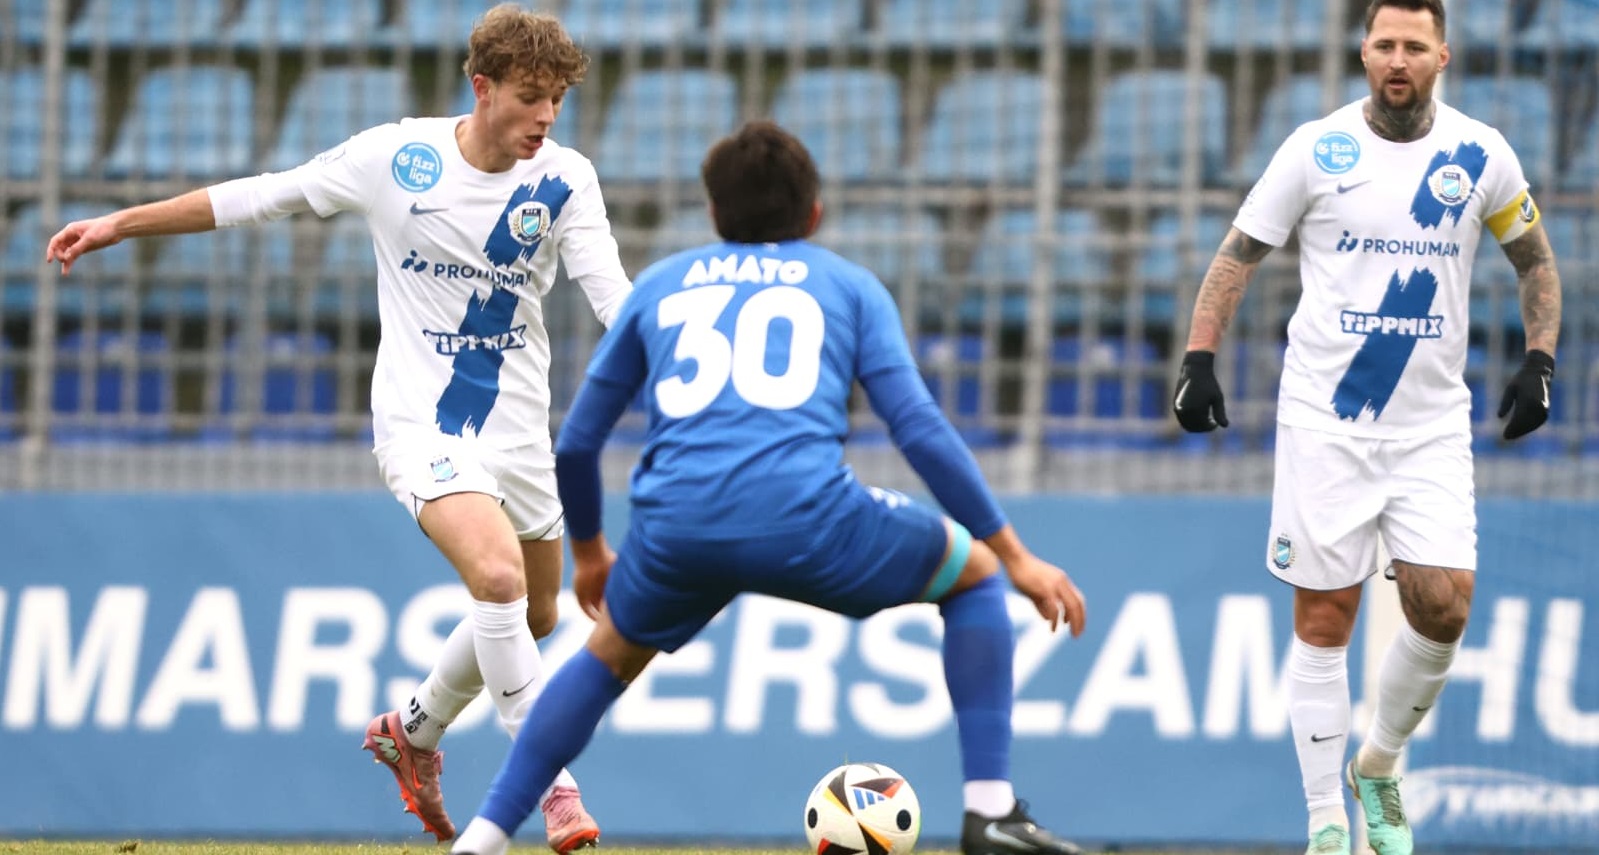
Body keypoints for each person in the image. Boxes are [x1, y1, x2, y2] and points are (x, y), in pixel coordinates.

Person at [45, 5, 630, 850]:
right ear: (482, 87)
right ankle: (553, 791)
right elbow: (262, 195)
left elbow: (612, 296)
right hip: (421, 420)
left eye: (557, 102)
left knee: (535, 614)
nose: (545, 117)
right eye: (531, 97)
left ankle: (412, 731)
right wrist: (120, 222)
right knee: (498, 581)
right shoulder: (398, 158)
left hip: (517, 430)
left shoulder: (566, 179)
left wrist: (680, 350)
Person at [443, 119, 1090, 855]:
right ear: (813, 214)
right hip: (809, 516)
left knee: (610, 650)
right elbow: (917, 429)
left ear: (714, 215)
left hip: (677, 525)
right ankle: (990, 810)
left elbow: (581, 440)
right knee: (972, 576)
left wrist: (591, 552)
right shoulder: (848, 285)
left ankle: (484, 838)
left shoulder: (661, 284)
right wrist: (1014, 554)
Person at [1171, 2, 1563, 854]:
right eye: (1383, 44)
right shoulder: (1315, 148)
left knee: (1444, 604)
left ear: (1441, 56)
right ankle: (1322, 823)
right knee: (1324, 619)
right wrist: (1199, 358)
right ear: (1362, 52)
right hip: (1325, 419)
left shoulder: (1480, 153)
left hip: (1428, 425)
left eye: (1412, 47)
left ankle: (1376, 765)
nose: (1396, 59)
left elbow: (1533, 260)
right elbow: (1238, 252)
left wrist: (1539, 358)